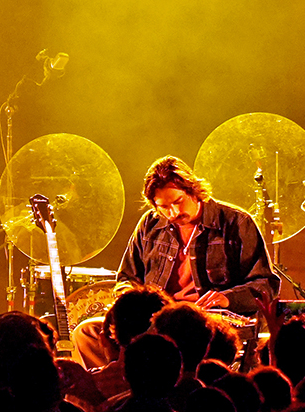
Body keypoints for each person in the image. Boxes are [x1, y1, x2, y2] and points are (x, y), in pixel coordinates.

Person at [75, 156, 277, 364]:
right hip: (155, 321)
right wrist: (130, 298)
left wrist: (228, 298)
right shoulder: (149, 225)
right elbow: (127, 277)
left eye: (179, 201)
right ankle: (125, 389)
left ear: (193, 190)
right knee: (88, 332)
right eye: (163, 206)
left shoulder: (236, 222)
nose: (174, 212)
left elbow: (266, 285)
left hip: (206, 322)